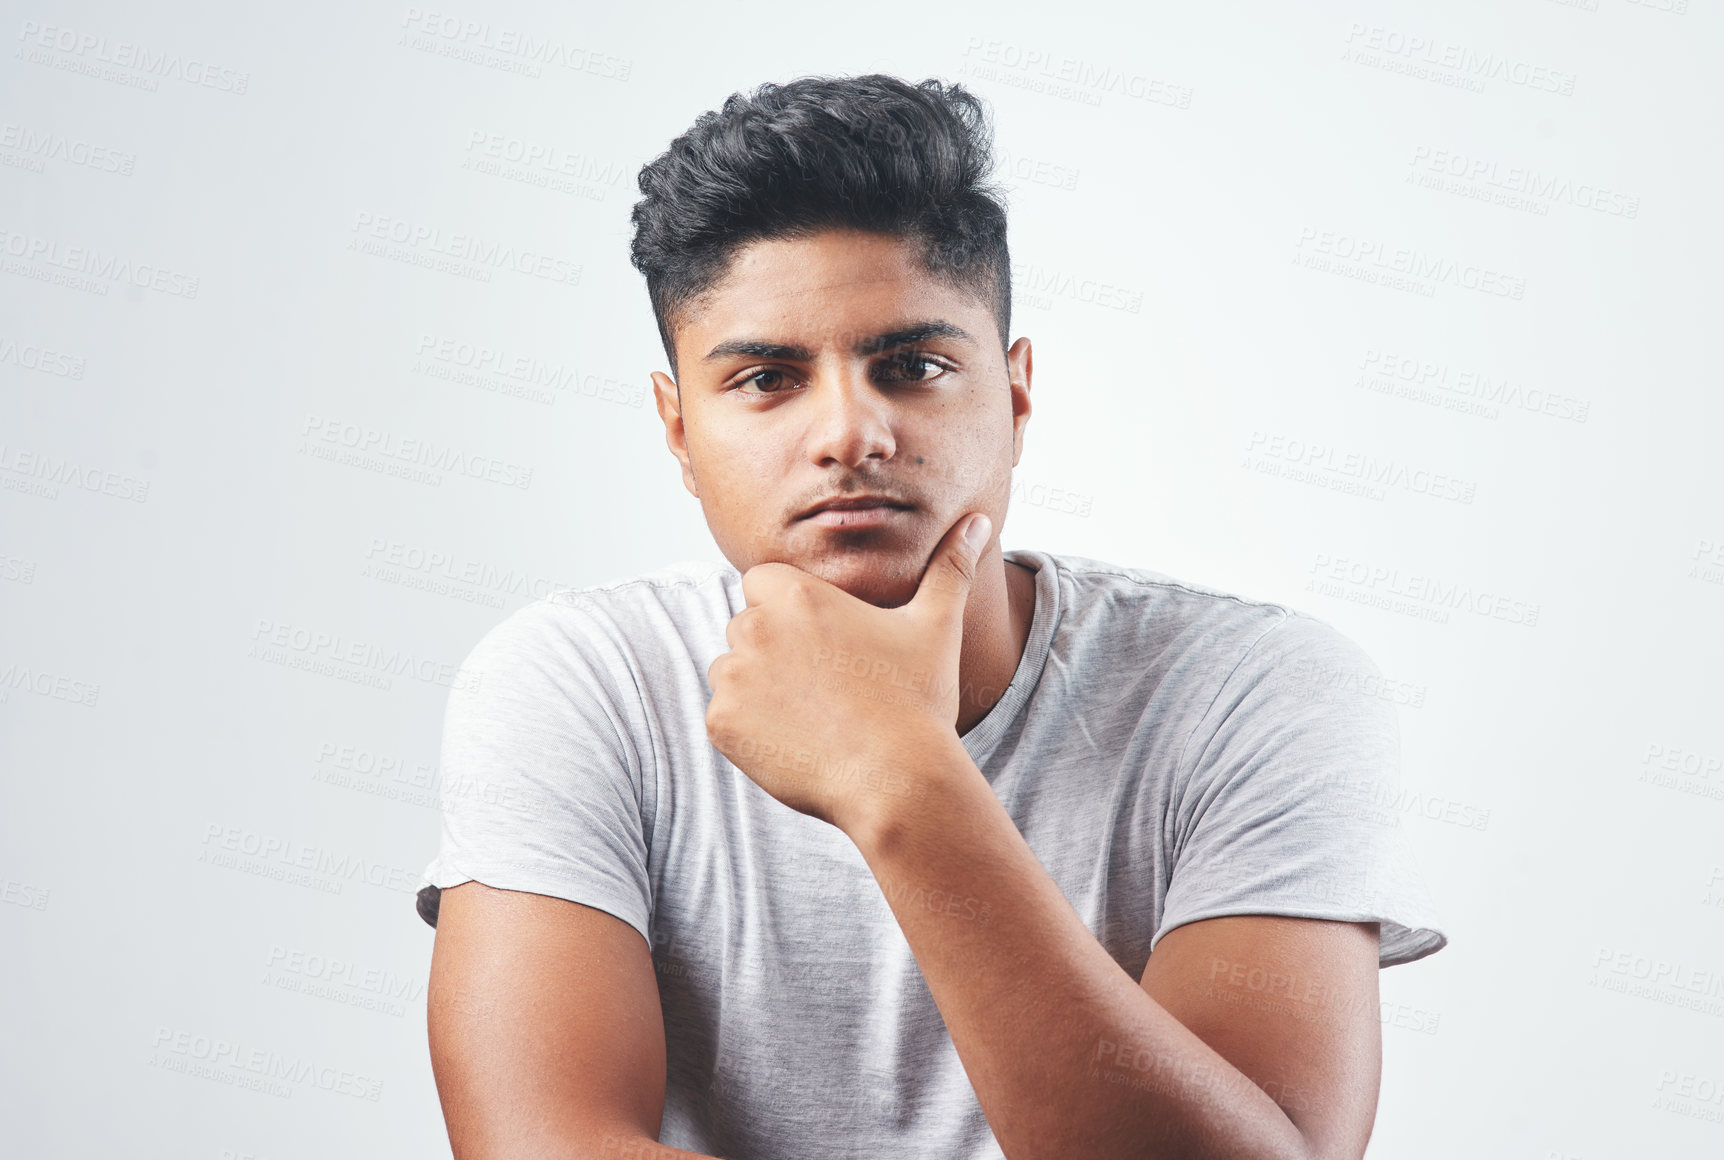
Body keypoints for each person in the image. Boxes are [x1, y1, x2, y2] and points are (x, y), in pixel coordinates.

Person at [416, 73, 1448, 1160]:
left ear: (1012, 396)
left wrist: (897, 771)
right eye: (767, 379)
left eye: (911, 366)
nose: (848, 433)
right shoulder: (579, 683)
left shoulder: (1255, 689)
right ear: (677, 430)